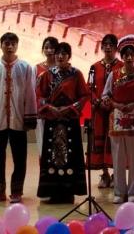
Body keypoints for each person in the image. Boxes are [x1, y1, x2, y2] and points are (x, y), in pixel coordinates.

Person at [0, 32, 38, 204]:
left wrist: (29, 117)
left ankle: (16, 192)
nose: (10, 46)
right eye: (6, 43)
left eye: (13, 43)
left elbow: (30, 94)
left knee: (20, 158)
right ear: (1, 45)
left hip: (18, 121)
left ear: (17, 46)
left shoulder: (26, 67)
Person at [36, 42, 90, 204]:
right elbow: (40, 95)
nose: (60, 56)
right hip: (52, 121)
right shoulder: (47, 75)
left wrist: (70, 108)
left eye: (64, 54)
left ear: (69, 56)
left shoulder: (76, 74)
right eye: (58, 53)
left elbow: (84, 95)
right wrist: (50, 108)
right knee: (53, 156)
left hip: (69, 121)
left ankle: (69, 192)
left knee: (70, 156)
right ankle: (53, 192)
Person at [102, 34, 134, 204]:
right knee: (118, 158)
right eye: (126, 55)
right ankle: (119, 191)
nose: (129, 58)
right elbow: (105, 96)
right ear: (122, 57)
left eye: (132, 55)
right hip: (117, 119)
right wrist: (116, 104)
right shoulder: (114, 75)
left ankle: (132, 192)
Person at [88, 33, 122, 189]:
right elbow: (89, 88)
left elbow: (125, 88)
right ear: (101, 47)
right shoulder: (94, 67)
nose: (108, 47)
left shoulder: (121, 66)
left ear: (116, 48)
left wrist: (113, 103)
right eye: (105, 45)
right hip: (99, 112)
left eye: (111, 45)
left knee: (115, 143)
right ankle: (105, 174)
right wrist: (98, 101)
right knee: (100, 142)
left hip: (116, 110)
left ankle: (116, 174)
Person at [36, 36, 59, 153]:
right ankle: (43, 165)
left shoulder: (63, 69)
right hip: (42, 112)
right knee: (43, 144)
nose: (49, 50)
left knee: (57, 144)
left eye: (52, 48)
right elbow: (34, 91)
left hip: (59, 111)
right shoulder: (37, 69)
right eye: (46, 48)